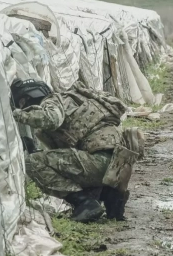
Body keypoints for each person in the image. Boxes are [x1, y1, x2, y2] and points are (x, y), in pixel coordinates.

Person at [11, 79, 144, 222]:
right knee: (56, 163)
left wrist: (17, 114)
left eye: (22, 104)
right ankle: (110, 196)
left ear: (26, 99)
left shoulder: (52, 101)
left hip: (98, 162)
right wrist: (34, 148)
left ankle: (84, 202)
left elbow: (51, 119)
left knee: (32, 163)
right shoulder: (73, 101)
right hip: (117, 165)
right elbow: (64, 156)